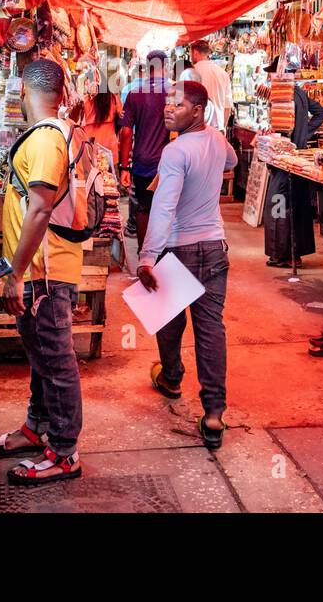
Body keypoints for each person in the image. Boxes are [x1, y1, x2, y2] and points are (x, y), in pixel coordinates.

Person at [0, 58, 85, 485]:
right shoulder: (52, 135)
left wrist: (17, 273)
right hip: (42, 269)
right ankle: (37, 426)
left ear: (24, 92)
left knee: (56, 361)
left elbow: (41, 207)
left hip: (43, 273)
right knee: (42, 357)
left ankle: (65, 452)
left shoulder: (45, 140)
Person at [138, 81, 237, 450]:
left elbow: (163, 206)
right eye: (168, 103)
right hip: (213, 248)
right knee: (210, 329)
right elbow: (232, 161)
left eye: (177, 105)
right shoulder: (215, 139)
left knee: (169, 318)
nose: (168, 109)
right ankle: (213, 414)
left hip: (179, 248)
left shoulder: (175, 151)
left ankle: (173, 377)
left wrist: (148, 256)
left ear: (197, 111)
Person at [263, 57, 323, 268]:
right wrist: (305, 132)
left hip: (284, 160)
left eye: (271, 72)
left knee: (279, 205)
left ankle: (284, 255)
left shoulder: (283, 95)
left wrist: (294, 134)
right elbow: (320, 112)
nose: (269, 77)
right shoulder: (298, 92)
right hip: (298, 158)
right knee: (296, 205)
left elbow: (282, 130)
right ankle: (292, 253)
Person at [118, 49, 171, 251]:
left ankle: (144, 253)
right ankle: (164, 255)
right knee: (168, 209)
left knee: (143, 208)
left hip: (143, 162)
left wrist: (124, 167)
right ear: (165, 67)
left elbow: (125, 133)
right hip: (170, 163)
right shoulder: (175, 92)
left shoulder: (134, 94)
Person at [189, 40, 234, 130]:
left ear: (195, 52)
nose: (191, 57)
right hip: (217, 128)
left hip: (197, 129)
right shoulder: (223, 73)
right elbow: (227, 106)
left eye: (191, 54)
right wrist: (223, 127)